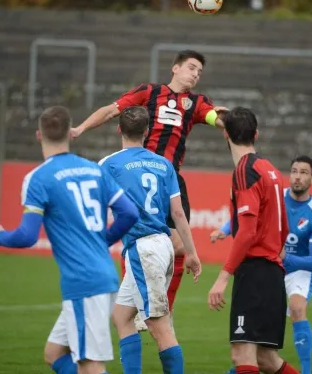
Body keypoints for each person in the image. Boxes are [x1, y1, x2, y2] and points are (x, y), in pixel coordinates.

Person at [72, 50, 227, 328]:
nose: (195, 74)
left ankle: (163, 309)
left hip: (169, 178)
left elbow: (215, 116)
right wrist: (80, 129)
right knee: (136, 239)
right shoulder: (149, 92)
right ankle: (133, 300)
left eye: (199, 72)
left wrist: (227, 121)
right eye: (191, 68)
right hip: (137, 173)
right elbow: (111, 110)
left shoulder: (197, 102)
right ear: (175, 68)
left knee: (179, 247)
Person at [0, 106, 139, 374]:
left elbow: (27, 236)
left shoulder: (38, 178)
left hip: (83, 281)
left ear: (38, 135)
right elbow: (129, 213)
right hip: (102, 274)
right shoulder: (94, 170)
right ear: (70, 133)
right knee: (54, 353)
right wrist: (104, 240)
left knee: (90, 364)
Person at [99, 106, 202, 374]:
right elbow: (178, 213)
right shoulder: (163, 164)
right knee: (121, 316)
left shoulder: (109, 163)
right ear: (146, 132)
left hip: (144, 249)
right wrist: (191, 253)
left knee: (160, 326)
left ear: (119, 129)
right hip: (163, 245)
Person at [211, 155, 312, 374]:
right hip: (272, 267)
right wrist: (224, 231)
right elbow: (248, 215)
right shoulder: (278, 195)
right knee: (259, 354)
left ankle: (307, 369)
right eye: (294, 171)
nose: (297, 177)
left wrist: (286, 258)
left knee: (295, 308)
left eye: (303, 173)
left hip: (297, 270)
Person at [207, 107, 299, 374]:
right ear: (256, 134)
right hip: (271, 272)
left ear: (225, 134)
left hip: (256, 273)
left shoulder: (244, 171)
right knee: (266, 360)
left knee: (242, 354)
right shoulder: (269, 169)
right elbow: (285, 226)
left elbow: (246, 231)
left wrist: (223, 277)